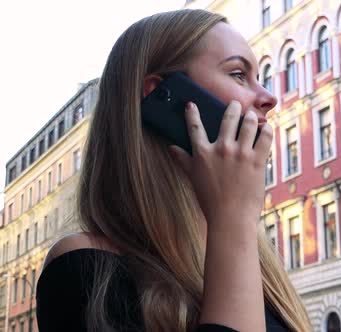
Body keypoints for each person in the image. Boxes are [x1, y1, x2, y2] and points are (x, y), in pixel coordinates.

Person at [35, 9, 312, 332]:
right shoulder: (85, 268)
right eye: (238, 74)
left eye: (259, 78)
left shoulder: (261, 266)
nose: (268, 98)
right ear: (162, 96)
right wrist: (233, 216)